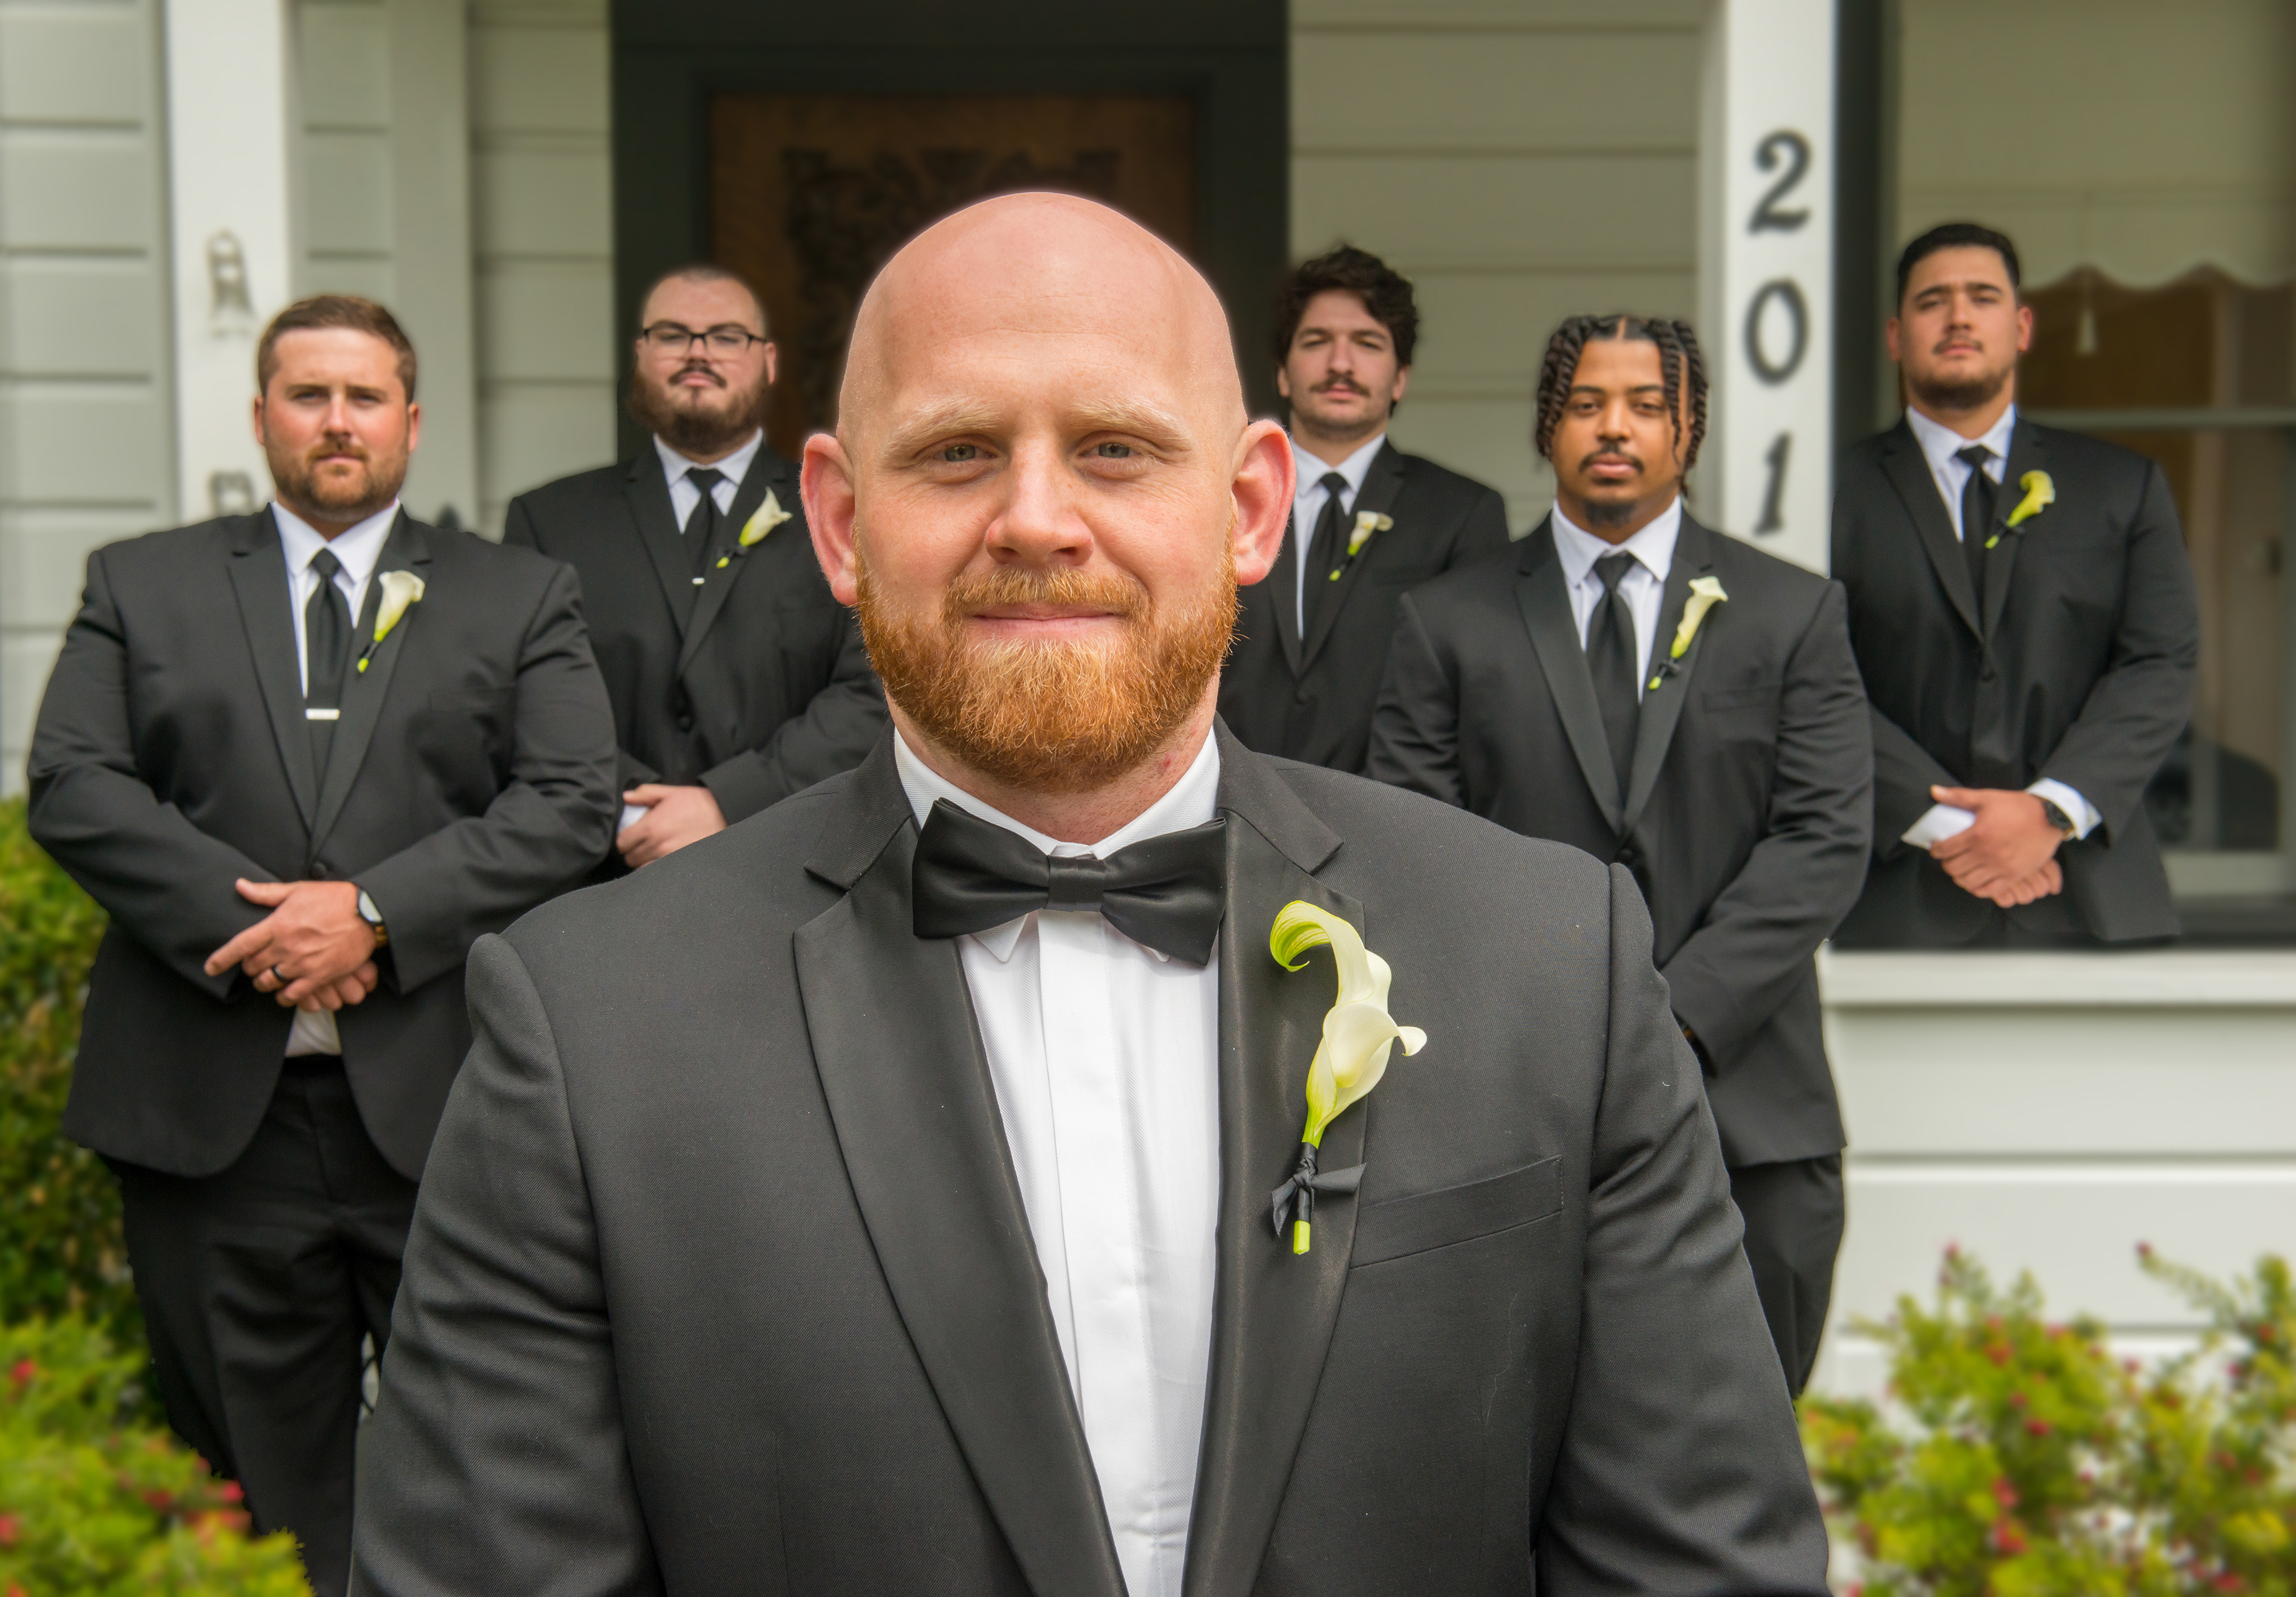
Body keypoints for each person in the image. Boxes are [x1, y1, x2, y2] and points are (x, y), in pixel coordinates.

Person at [352, 196, 1826, 1597]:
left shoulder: (1551, 964)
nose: (1038, 519)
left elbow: (1695, 1564)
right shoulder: (587, 1028)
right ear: (840, 520)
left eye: (1116, 448)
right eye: (954, 455)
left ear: (1249, 505)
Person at [25, 295, 618, 1593]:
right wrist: (272, 934)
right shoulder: (145, 580)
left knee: (481, 1451)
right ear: (261, 417)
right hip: (209, 1117)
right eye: (308, 395)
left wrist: (371, 915)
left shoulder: (518, 595)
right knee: (252, 1482)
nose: (336, 420)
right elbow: (74, 784)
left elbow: (571, 798)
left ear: (410, 421)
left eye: (364, 396)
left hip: (448, 1106)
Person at [1368, 315, 1872, 1395]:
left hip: (1753, 1112)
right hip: (1516, 1100)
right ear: (1548, 425)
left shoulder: (1794, 613)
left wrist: (1679, 1012)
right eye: (1588, 402)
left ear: (1689, 430)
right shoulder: (1446, 622)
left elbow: (1825, 836)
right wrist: (1569, 1011)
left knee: (1749, 1439)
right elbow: (1418, 841)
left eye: (1648, 404)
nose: (1616, 426)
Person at [1833, 222, 2198, 946]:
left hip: (2088, 894)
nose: (1960, 316)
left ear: (2022, 326)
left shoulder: (2122, 488)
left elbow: (2160, 663)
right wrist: (1952, 827)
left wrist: (2049, 813)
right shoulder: (1827, 492)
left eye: (1983, 297)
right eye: (1933, 300)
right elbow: (1805, 676)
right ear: (1897, 336)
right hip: (1889, 898)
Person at [503, 263, 886, 872]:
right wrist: (635, 811)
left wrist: (726, 802)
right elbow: (531, 697)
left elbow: (873, 691)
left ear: (769, 362)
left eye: (727, 336)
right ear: (640, 353)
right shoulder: (549, 520)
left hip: (790, 865)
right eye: (673, 335)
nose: (698, 353)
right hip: (601, 872)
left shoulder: (845, 514)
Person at [1216, 245, 1509, 773]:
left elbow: (1473, 699)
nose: (1340, 363)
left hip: (1391, 824)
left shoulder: (1464, 514)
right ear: (1282, 373)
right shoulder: (1219, 499)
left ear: (1400, 378)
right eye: (1316, 341)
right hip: (1224, 809)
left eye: (1367, 343)